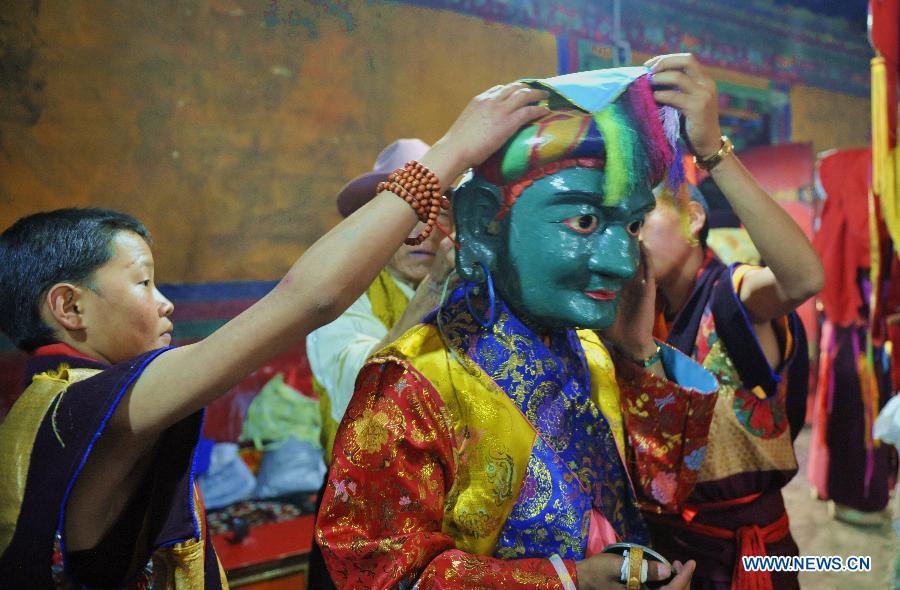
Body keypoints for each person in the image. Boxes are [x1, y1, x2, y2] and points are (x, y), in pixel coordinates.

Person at [0, 81, 549, 589]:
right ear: (68, 306)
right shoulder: (87, 405)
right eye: (143, 282)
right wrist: (454, 148)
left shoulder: (40, 405)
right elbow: (307, 299)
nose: (166, 302)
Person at [315, 60, 722, 589]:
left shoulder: (592, 352)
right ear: (484, 223)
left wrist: (639, 348)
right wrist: (563, 581)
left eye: (633, 224)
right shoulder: (412, 383)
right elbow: (379, 573)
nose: (622, 261)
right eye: (583, 221)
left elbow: (662, 492)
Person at [637, 54, 824, 590]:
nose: (632, 234)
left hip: (755, 558)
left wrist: (714, 152)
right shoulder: (641, 314)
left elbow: (804, 280)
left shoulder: (732, 291)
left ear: (695, 217)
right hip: (673, 552)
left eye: (644, 214)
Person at [308, 138, 455, 465]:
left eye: (439, 212)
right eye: (406, 213)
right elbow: (364, 387)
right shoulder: (341, 292)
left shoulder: (470, 286)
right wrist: (436, 286)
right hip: (361, 487)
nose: (425, 229)